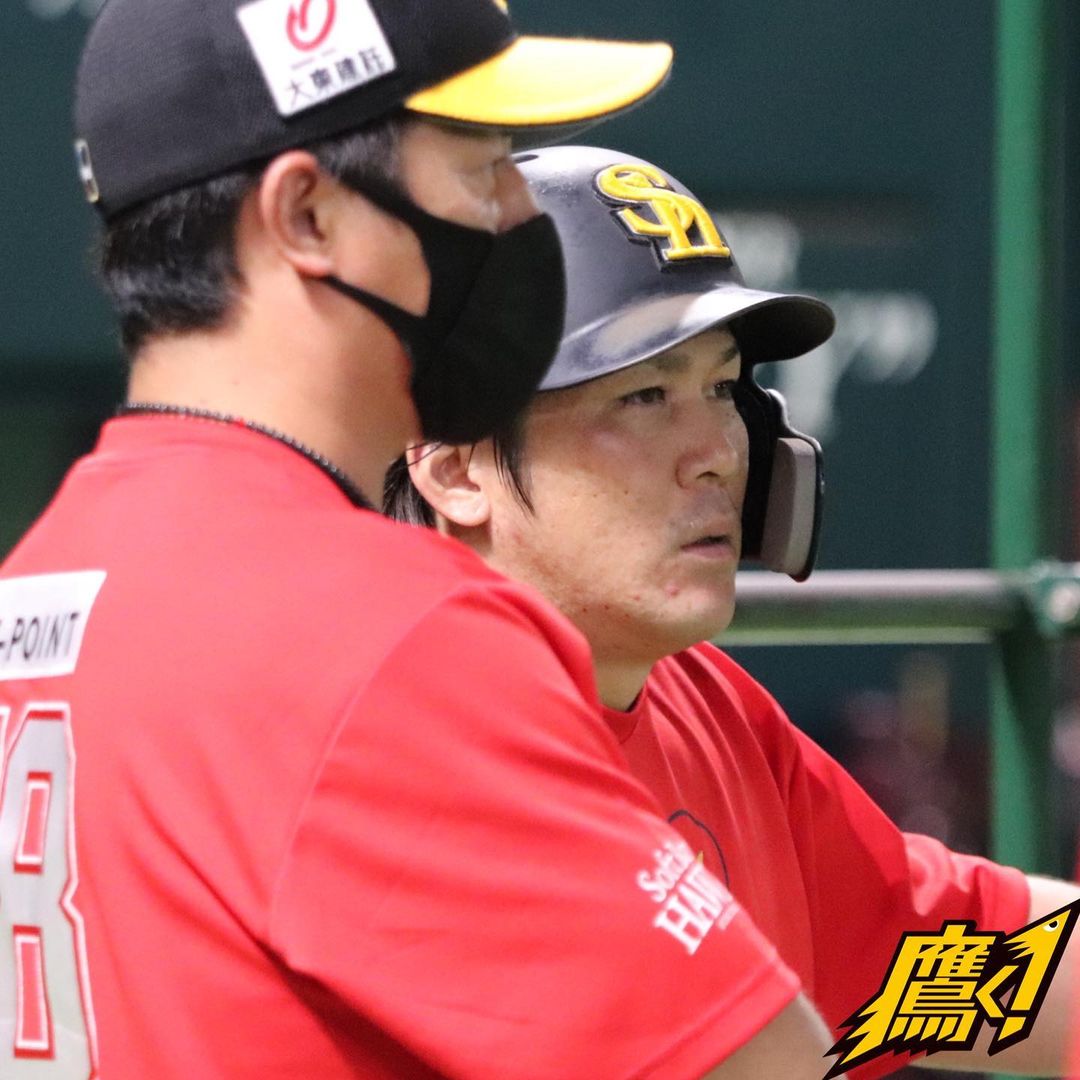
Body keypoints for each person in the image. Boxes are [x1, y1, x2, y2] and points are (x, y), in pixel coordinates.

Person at [0, 3, 850, 1077]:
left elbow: (926, 958)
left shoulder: (41, 575)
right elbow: (764, 1065)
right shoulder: (377, 631)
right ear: (308, 215)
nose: (519, 213)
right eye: (481, 168)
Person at [388, 144, 1080, 1077]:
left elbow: (933, 969)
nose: (716, 450)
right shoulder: (397, 746)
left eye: (720, 388)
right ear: (456, 468)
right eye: (643, 395)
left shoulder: (701, 702)